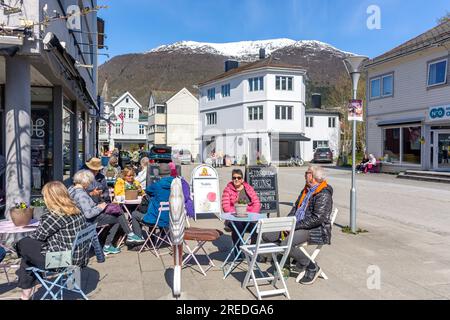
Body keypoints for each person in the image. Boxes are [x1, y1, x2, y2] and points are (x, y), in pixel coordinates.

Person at [15, 181, 88, 300]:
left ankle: (24, 295)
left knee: (24, 244)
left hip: (62, 260)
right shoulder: (77, 210)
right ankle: (25, 295)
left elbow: (37, 237)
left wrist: (19, 245)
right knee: (27, 256)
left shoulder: (55, 216)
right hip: (78, 257)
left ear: (50, 198)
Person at [263, 166, 333, 285]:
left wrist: (294, 226)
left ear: (313, 176)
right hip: (297, 224)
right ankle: (285, 263)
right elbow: (296, 208)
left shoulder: (323, 193)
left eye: (307, 172)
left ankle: (311, 267)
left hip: (313, 229)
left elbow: (317, 219)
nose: (305, 175)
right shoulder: (306, 189)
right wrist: (288, 222)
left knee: (286, 244)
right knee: (267, 235)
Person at [69, 170, 144, 256]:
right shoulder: (81, 194)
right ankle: (112, 243)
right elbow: (88, 214)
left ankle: (125, 237)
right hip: (88, 221)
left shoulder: (72, 189)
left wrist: (92, 195)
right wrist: (100, 207)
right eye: (89, 182)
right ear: (85, 181)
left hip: (79, 219)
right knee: (117, 216)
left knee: (116, 212)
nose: (89, 184)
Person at [222, 169, 261, 258]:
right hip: (234, 218)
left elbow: (257, 203)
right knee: (238, 225)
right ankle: (237, 250)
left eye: (239, 178)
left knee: (256, 226)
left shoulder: (249, 188)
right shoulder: (227, 190)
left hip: (249, 217)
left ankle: (251, 250)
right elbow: (226, 207)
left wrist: (251, 215)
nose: (236, 180)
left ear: (242, 179)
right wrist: (238, 213)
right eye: (234, 178)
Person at [141, 163, 175, 228]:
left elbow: (148, 190)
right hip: (172, 217)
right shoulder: (176, 183)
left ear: (159, 174)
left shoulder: (157, 185)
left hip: (157, 218)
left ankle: (137, 237)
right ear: (170, 172)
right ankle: (160, 236)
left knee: (135, 215)